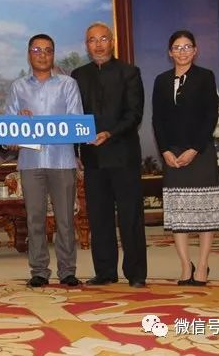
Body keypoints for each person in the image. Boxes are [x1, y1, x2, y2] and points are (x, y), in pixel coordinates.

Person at [71, 22, 148, 288]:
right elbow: (73, 116)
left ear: (112, 41)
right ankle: (105, 271)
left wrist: (110, 133)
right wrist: (75, 150)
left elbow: (134, 114)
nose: (98, 45)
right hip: (92, 157)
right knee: (99, 217)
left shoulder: (129, 72)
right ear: (87, 45)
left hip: (123, 154)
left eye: (103, 39)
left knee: (130, 216)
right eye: (92, 40)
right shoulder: (78, 75)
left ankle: (136, 273)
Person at [5, 34, 84, 288]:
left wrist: (53, 125)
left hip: (62, 160)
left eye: (48, 50)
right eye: (37, 50)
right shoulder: (18, 87)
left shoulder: (68, 84)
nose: (42, 55)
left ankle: (67, 270)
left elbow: (77, 122)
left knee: (65, 220)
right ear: (29, 54)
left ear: (53, 54)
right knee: (34, 219)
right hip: (30, 162)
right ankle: (39, 270)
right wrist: (19, 123)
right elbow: (8, 131)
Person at [152, 30, 219, 286]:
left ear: (195, 51)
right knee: (179, 212)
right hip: (172, 153)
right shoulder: (161, 80)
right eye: (177, 47)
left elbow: (210, 116)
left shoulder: (205, 76)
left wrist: (194, 149)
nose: (182, 52)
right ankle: (186, 264)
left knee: (205, 211)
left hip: (200, 151)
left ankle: (203, 264)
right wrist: (165, 151)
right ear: (169, 52)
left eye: (187, 47)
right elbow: (157, 119)